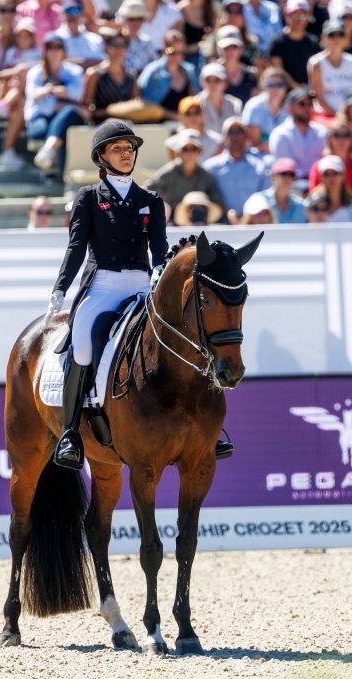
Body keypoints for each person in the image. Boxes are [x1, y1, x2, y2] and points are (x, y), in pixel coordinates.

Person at [47, 119, 232, 469]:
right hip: (102, 285)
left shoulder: (150, 199)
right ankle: (71, 433)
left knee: (188, 336)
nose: (126, 153)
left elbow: (160, 247)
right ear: (101, 156)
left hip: (140, 285)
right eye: (118, 148)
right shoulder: (87, 198)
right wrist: (60, 288)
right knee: (83, 343)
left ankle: (214, 428)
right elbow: (75, 247)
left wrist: (162, 269)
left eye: (129, 148)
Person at [0, 16, 41, 168]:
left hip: (30, 92)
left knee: (19, 85)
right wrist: (16, 72)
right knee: (13, 86)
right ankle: (1, 110)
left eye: (27, 35)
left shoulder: (38, 53)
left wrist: (22, 75)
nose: (23, 38)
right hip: (16, 93)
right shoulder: (12, 52)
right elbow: (3, 74)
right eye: (20, 35)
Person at [26, 32, 87, 171]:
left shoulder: (73, 71)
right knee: (57, 129)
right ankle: (61, 177)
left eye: (58, 47)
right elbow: (39, 102)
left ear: (64, 50)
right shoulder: (36, 72)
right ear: (44, 50)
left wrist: (48, 90)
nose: (54, 51)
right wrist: (63, 97)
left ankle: (48, 153)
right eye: (50, 47)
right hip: (39, 118)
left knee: (68, 117)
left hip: (64, 117)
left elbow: (77, 94)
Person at [203, 117, 269, 222]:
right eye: (231, 132)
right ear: (224, 137)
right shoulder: (211, 167)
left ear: (247, 137)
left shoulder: (260, 166)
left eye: (239, 131)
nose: (235, 136)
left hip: (254, 223)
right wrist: (227, 214)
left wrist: (248, 219)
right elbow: (210, 197)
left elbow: (265, 196)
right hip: (222, 223)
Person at [146, 128, 224, 215]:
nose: (189, 153)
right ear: (180, 152)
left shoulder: (206, 176)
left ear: (200, 151)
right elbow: (148, 190)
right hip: (170, 220)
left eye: (193, 149)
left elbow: (216, 201)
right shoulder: (168, 172)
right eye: (185, 149)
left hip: (197, 220)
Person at [137, 30, 199, 119]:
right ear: (164, 49)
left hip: (185, 123)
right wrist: (173, 116)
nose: (177, 56)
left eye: (181, 52)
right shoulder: (153, 71)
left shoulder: (189, 70)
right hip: (157, 124)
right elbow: (143, 102)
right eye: (172, 52)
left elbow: (195, 98)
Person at [269, 87, 327, 180]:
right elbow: (284, 166)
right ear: (289, 108)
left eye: (310, 104)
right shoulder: (280, 134)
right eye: (302, 104)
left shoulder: (322, 131)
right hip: (292, 183)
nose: (307, 108)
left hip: (319, 182)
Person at [83, 28, 140, 123]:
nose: (119, 49)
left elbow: (136, 105)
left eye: (123, 46)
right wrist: (110, 111)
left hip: (127, 127)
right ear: (106, 47)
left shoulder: (131, 76)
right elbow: (86, 107)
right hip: (101, 126)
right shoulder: (94, 74)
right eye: (115, 45)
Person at [307, 19, 352, 117]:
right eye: (331, 35)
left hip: (349, 115)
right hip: (325, 115)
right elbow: (318, 97)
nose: (336, 39)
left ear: (346, 38)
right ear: (323, 38)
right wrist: (337, 116)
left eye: (340, 35)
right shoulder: (316, 63)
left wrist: (347, 116)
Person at [309, 118, 352, 198]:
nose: (341, 139)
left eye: (346, 135)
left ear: (351, 139)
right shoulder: (319, 166)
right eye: (336, 135)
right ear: (329, 139)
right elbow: (313, 196)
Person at [268, 0, 318, 88]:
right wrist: (298, 88)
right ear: (285, 16)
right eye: (294, 15)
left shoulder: (313, 42)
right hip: (286, 92)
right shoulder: (277, 43)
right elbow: (279, 72)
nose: (298, 19)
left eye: (302, 15)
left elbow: (317, 70)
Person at [241, 66, 291, 152]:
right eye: (270, 85)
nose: (275, 89)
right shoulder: (254, 106)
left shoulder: (290, 107)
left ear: (286, 87)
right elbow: (255, 144)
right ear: (263, 86)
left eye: (279, 85)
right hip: (258, 156)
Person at [245, 157, 307, 223]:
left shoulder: (300, 206)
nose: (287, 177)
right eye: (283, 173)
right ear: (272, 177)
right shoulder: (257, 200)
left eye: (291, 174)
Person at [196, 62, 243, 137]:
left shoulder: (235, 104)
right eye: (208, 80)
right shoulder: (195, 104)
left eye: (217, 80)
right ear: (202, 82)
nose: (212, 84)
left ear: (225, 83)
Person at [214, 29, 257, 105]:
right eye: (226, 48)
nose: (230, 51)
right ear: (219, 50)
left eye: (234, 47)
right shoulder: (212, 75)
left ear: (241, 49)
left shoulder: (251, 74)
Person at [57, 0, 104, 67]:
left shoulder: (96, 39)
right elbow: (55, 63)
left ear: (82, 14)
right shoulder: (56, 38)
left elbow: (102, 61)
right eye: (68, 11)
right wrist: (88, 63)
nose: (72, 15)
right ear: (63, 15)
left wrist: (70, 62)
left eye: (76, 11)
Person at [313, 155, 352, 222]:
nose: (331, 178)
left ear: (343, 175)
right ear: (321, 178)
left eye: (335, 173)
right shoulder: (313, 203)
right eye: (326, 174)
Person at [117, 0, 157, 75]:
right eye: (131, 19)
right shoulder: (116, 42)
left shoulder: (147, 42)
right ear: (124, 20)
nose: (136, 23)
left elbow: (155, 62)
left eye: (139, 18)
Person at [177, 0, 214, 65]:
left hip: (208, 57)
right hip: (187, 60)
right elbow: (178, 48)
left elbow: (214, 39)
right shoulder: (181, 10)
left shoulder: (214, 8)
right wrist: (199, 46)